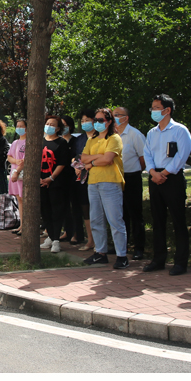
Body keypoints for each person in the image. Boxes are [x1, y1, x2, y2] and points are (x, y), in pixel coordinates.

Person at [142, 94, 191, 276]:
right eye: (153, 108)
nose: (153, 111)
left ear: (167, 110)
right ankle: (158, 259)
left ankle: (180, 262)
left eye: (157, 108)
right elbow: (147, 154)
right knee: (157, 220)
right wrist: (153, 172)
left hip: (172, 177)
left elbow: (182, 155)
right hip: (155, 178)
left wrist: (164, 173)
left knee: (178, 220)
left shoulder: (180, 130)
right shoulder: (152, 132)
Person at [81, 108, 130, 269]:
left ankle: (122, 255)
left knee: (115, 220)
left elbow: (108, 159)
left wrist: (92, 163)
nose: (97, 123)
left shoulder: (114, 138)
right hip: (93, 183)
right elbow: (83, 158)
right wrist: (96, 158)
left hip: (110, 182)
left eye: (101, 120)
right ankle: (100, 252)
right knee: (96, 219)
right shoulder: (92, 140)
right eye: (95, 120)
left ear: (109, 122)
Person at [113, 106, 146, 260]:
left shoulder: (135, 134)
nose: (114, 118)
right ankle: (122, 246)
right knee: (120, 214)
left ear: (125, 118)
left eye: (117, 115)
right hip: (115, 178)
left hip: (132, 177)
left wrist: (136, 171)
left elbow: (143, 158)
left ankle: (139, 248)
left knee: (135, 213)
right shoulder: (112, 135)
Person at [39, 116, 70, 253]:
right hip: (41, 182)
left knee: (56, 211)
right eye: (47, 123)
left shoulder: (61, 143)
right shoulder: (40, 141)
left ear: (58, 128)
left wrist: (51, 178)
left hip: (56, 183)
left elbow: (62, 163)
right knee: (45, 211)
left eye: (52, 124)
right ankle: (50, 236)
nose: (49, 126)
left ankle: (56, 239)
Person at [74, 109, 96, 252]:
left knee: (98, 209)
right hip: (82, 179)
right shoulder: (79, 139)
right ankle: (90, 240)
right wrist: (77, 166)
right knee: (85, 208)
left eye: (87, 120)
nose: (84, 123)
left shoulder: (100, 137)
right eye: (82, 121)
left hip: (97, 177)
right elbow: (75, 156)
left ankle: (100, 242)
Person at [59, 115, 82, 244]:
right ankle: (67, 231)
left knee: (75, 206)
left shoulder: (75, 141)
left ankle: (77, 233)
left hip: (73, 176)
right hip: (59, 177)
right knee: (63, 206)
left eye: (65, 125)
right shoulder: (57, 141)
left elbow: (77, 157)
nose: (63, 127)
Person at [6, 119, 27, 231]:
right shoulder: (15, 142)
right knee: (19, 198)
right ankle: (21, 224)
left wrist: (17, 171)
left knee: (24, 198)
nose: (19, 128)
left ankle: (26, 225)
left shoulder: (28, 142)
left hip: (22, 173)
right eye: (17, 126)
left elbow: (24, 160)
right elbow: (9, 157)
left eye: (21, 126)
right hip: (14, 172)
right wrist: (15, 161)